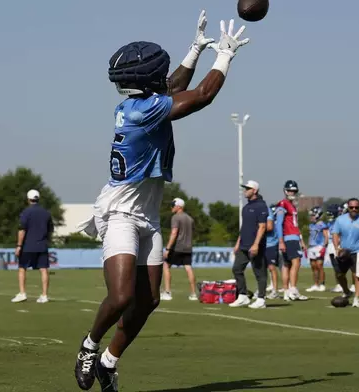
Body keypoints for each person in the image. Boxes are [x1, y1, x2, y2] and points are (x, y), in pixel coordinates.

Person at [73, 12, 250, 391]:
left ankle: (109, 361)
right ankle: (90, 345)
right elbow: (200, 95)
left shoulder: (136, 104)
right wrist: (225, 56)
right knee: (122, 297)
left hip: (146, 213)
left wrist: (195, 50)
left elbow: (170, 86)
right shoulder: (143, 112)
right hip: (120, 212)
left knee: (150, 299)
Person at [230, 180, 269, 309]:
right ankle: (243, 296)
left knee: (259, 273)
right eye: (244, 188)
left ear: (255, 190)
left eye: (247, 188)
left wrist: (256, 244)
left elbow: (262, 227)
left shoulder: (261, 206)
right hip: (243, 245)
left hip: (255, 246)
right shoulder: (246, 207)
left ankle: (261, 299)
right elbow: (244, 228)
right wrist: (237, 243)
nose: (245, 190)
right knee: (237, 269)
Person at [11, 189, 54, 304]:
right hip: (42, 245)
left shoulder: (26, 212)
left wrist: (19, 245)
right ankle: (44, 295)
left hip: (27, 246)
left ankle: (22, 293)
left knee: (22, 268)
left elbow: (22, 229)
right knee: (43, 269)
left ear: (28, 199)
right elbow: (51, 230)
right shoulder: (46, 212)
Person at [330, 198, 359, 308]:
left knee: (357, 275)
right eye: (351, 207)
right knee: (339, 274)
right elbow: (335, 234)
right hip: (343, 252)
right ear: (348, 208)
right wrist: (337, 248)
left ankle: (357, 299)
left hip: (358, 251)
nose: (354, 209)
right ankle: (347, 291)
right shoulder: (340, 220)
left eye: (356, 207)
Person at [276, 180, 307, 301]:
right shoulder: (283, 204)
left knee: (286, 264)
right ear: (285, 190)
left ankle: (286, 291)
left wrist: (301, 240)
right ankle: (293, 289)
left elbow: (295, 224)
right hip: (289, 238)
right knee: (296, 262)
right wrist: (281, 241)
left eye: (294, 190)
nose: (292, 192)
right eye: (290, 190)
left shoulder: (292, 205)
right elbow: (279, 224)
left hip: (294, 237)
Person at [161, 198, 196, 301]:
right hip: (188, 247)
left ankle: (167, 292)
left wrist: (167, 248)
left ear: (179, 206)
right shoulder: (190, 219)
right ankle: (193, 294)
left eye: (173, 205)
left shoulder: (176, 218)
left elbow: (174, 233)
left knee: (166, 265)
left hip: (177, 247)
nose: (171, 207)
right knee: (188, 268)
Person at [306, 206, 328, 292]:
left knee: (319, 265)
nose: (311, 217)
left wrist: (324, 247)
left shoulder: (322, 224)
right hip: (311, 247)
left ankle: (322, 284)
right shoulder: (311, 225)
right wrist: (307, 246)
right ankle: (315, 284)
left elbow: (326, 236)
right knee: (313, 267)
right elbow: (310, 236)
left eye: (312, 215)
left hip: (319, 246)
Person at [264, 203, 282, 299]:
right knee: (261, 268)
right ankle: (261, 289)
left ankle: (275, 291)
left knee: (272, 267)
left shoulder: (267, 211)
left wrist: (257, 228)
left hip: (271, 244)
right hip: (261, 244)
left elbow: (269, 227)